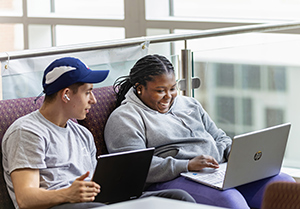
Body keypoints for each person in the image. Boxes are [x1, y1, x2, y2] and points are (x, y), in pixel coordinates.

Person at [104, 54, 296, 209]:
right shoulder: (125, 118)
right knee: (230, 201)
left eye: (172, 88)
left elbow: (219, 136)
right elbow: (134, 171)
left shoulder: (190, 104)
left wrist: (232, 153)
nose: (168, 97)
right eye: (160, 90)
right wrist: (187, 165)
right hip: (173, 179)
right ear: (139, 88)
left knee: (284, 185)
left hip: (217, 170)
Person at [2, 57, 195, 209]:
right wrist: (68, 193)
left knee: (178, 198)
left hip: (93, 203)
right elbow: (26, 198)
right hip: (59, 206)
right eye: (88, 92)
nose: (94, 100)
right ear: (66, 94)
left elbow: (96, 184)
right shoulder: (27, 132)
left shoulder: (82, 134)